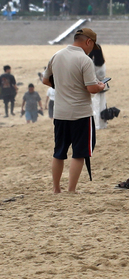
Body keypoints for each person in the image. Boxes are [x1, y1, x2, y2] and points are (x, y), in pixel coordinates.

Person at [42, 28, 105, 193]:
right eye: (92, 46)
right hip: (80, 113)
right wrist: (101, 86)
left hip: (60, 113)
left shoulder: (56, 56)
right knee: (79, 153)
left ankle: (56, 189)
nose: (91, 50)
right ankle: (71, 189)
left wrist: (63, 86)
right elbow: (91, 88)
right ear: (88, 42)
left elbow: (45, 80)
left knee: (59, 152)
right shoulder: (85, 60)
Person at [89, 43, 110, 130]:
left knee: (95, 105)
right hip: (103, 85)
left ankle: (96, 124)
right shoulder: (102, 63)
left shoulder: (92, 64)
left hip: (95, 85)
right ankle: (103, 124)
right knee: (102, 105)